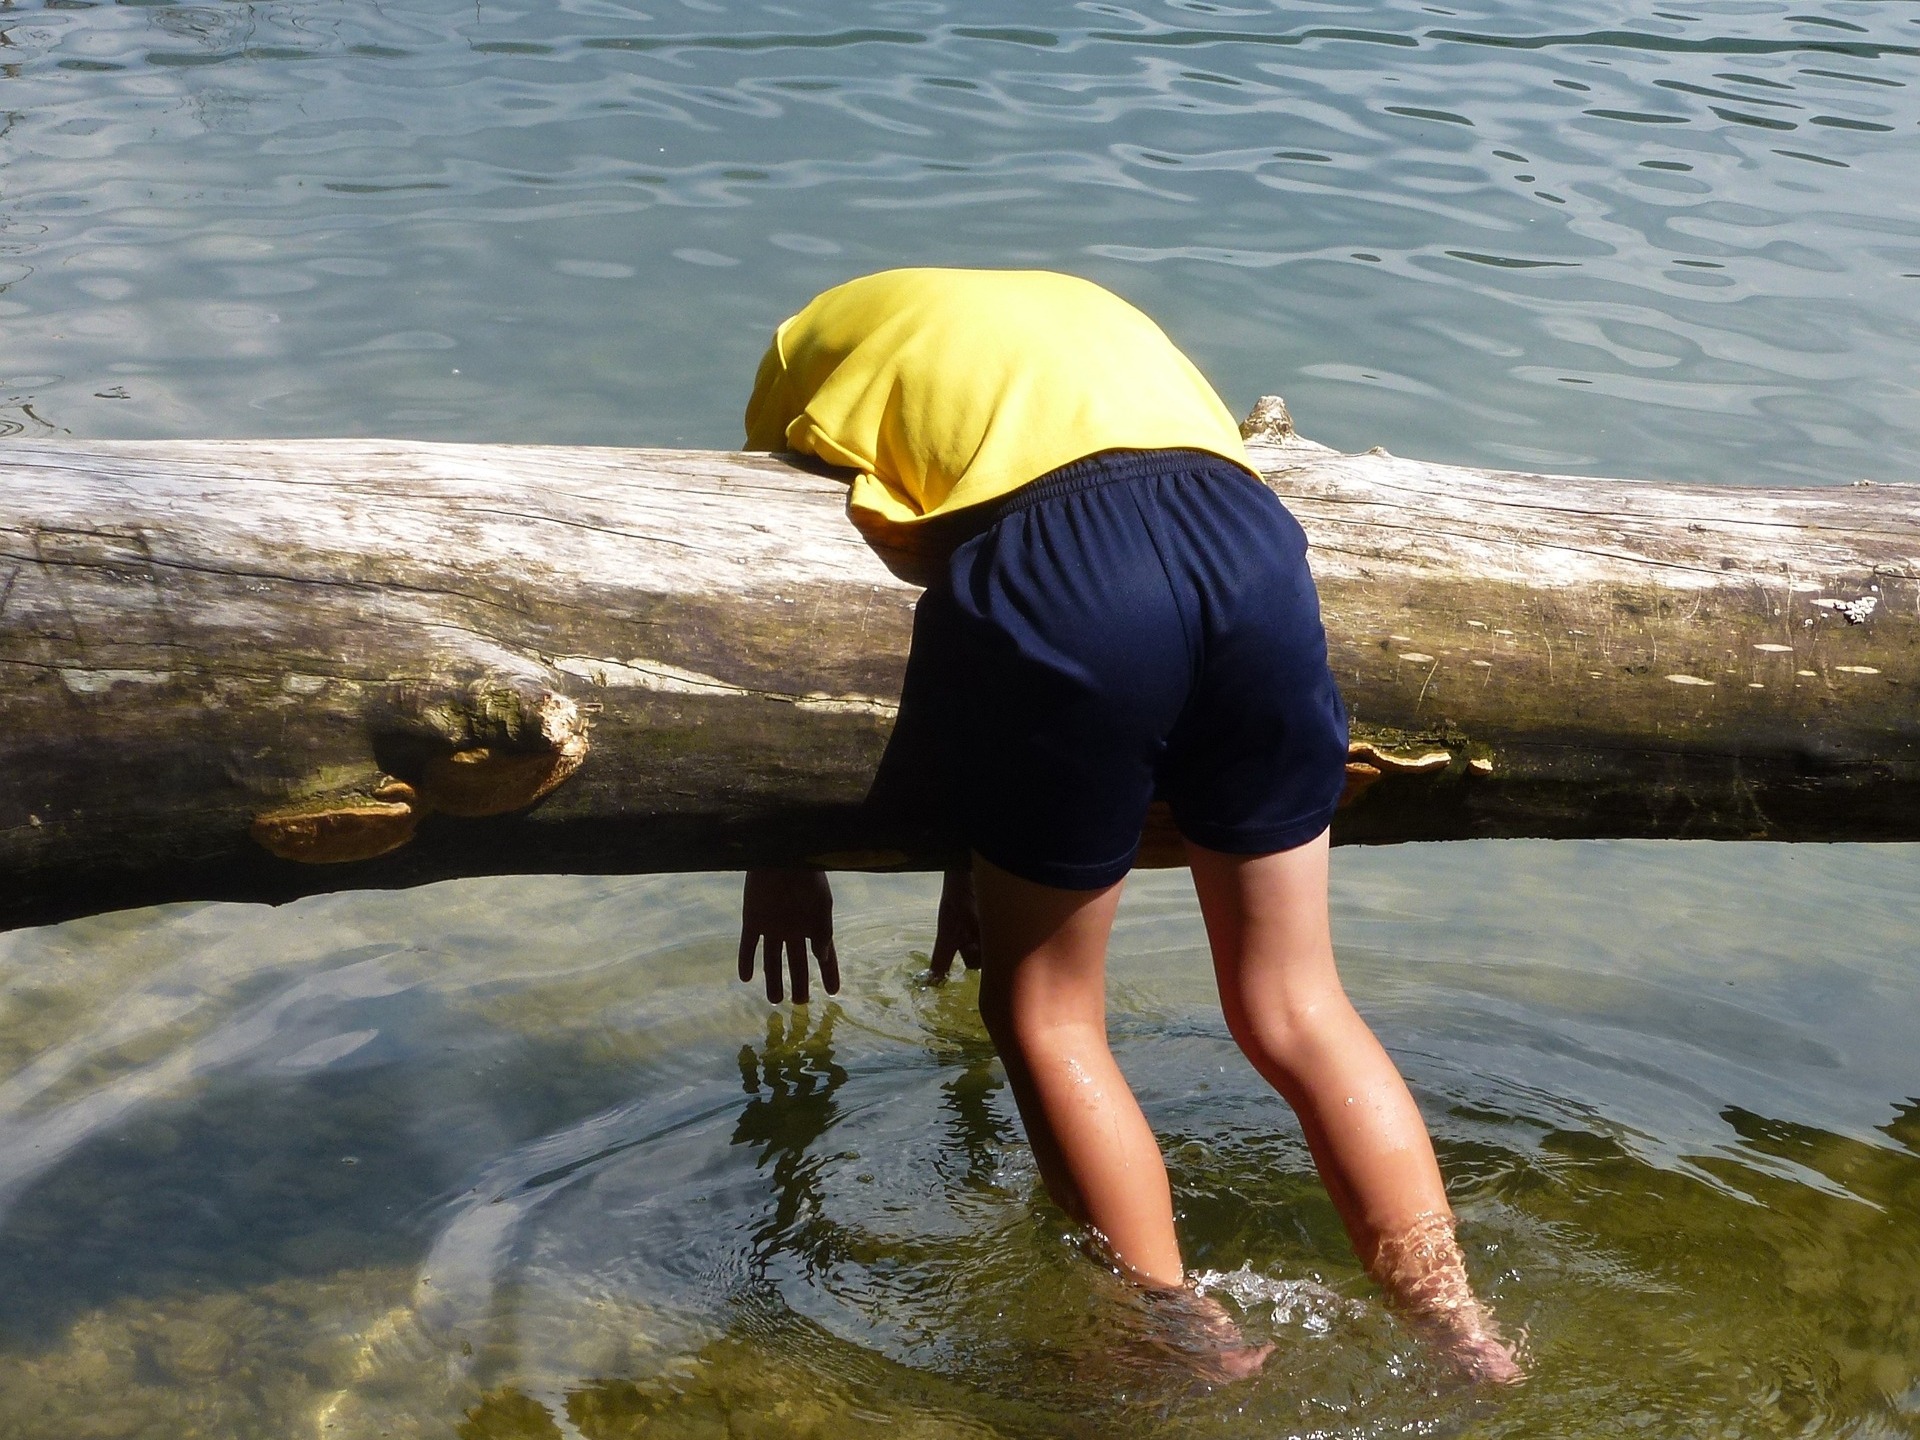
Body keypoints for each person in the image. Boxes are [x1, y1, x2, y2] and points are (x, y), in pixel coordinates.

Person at [733, 268, 1520, 1383]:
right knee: (1297, 1003)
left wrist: (780, 849)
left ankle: (1183, 1340)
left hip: (1066, 568)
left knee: (1047, 1015)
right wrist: (990, 844)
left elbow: (790, 608)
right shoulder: (1093, 313)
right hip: (1250, 545)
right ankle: (1464, 1332)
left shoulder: (801, 343)